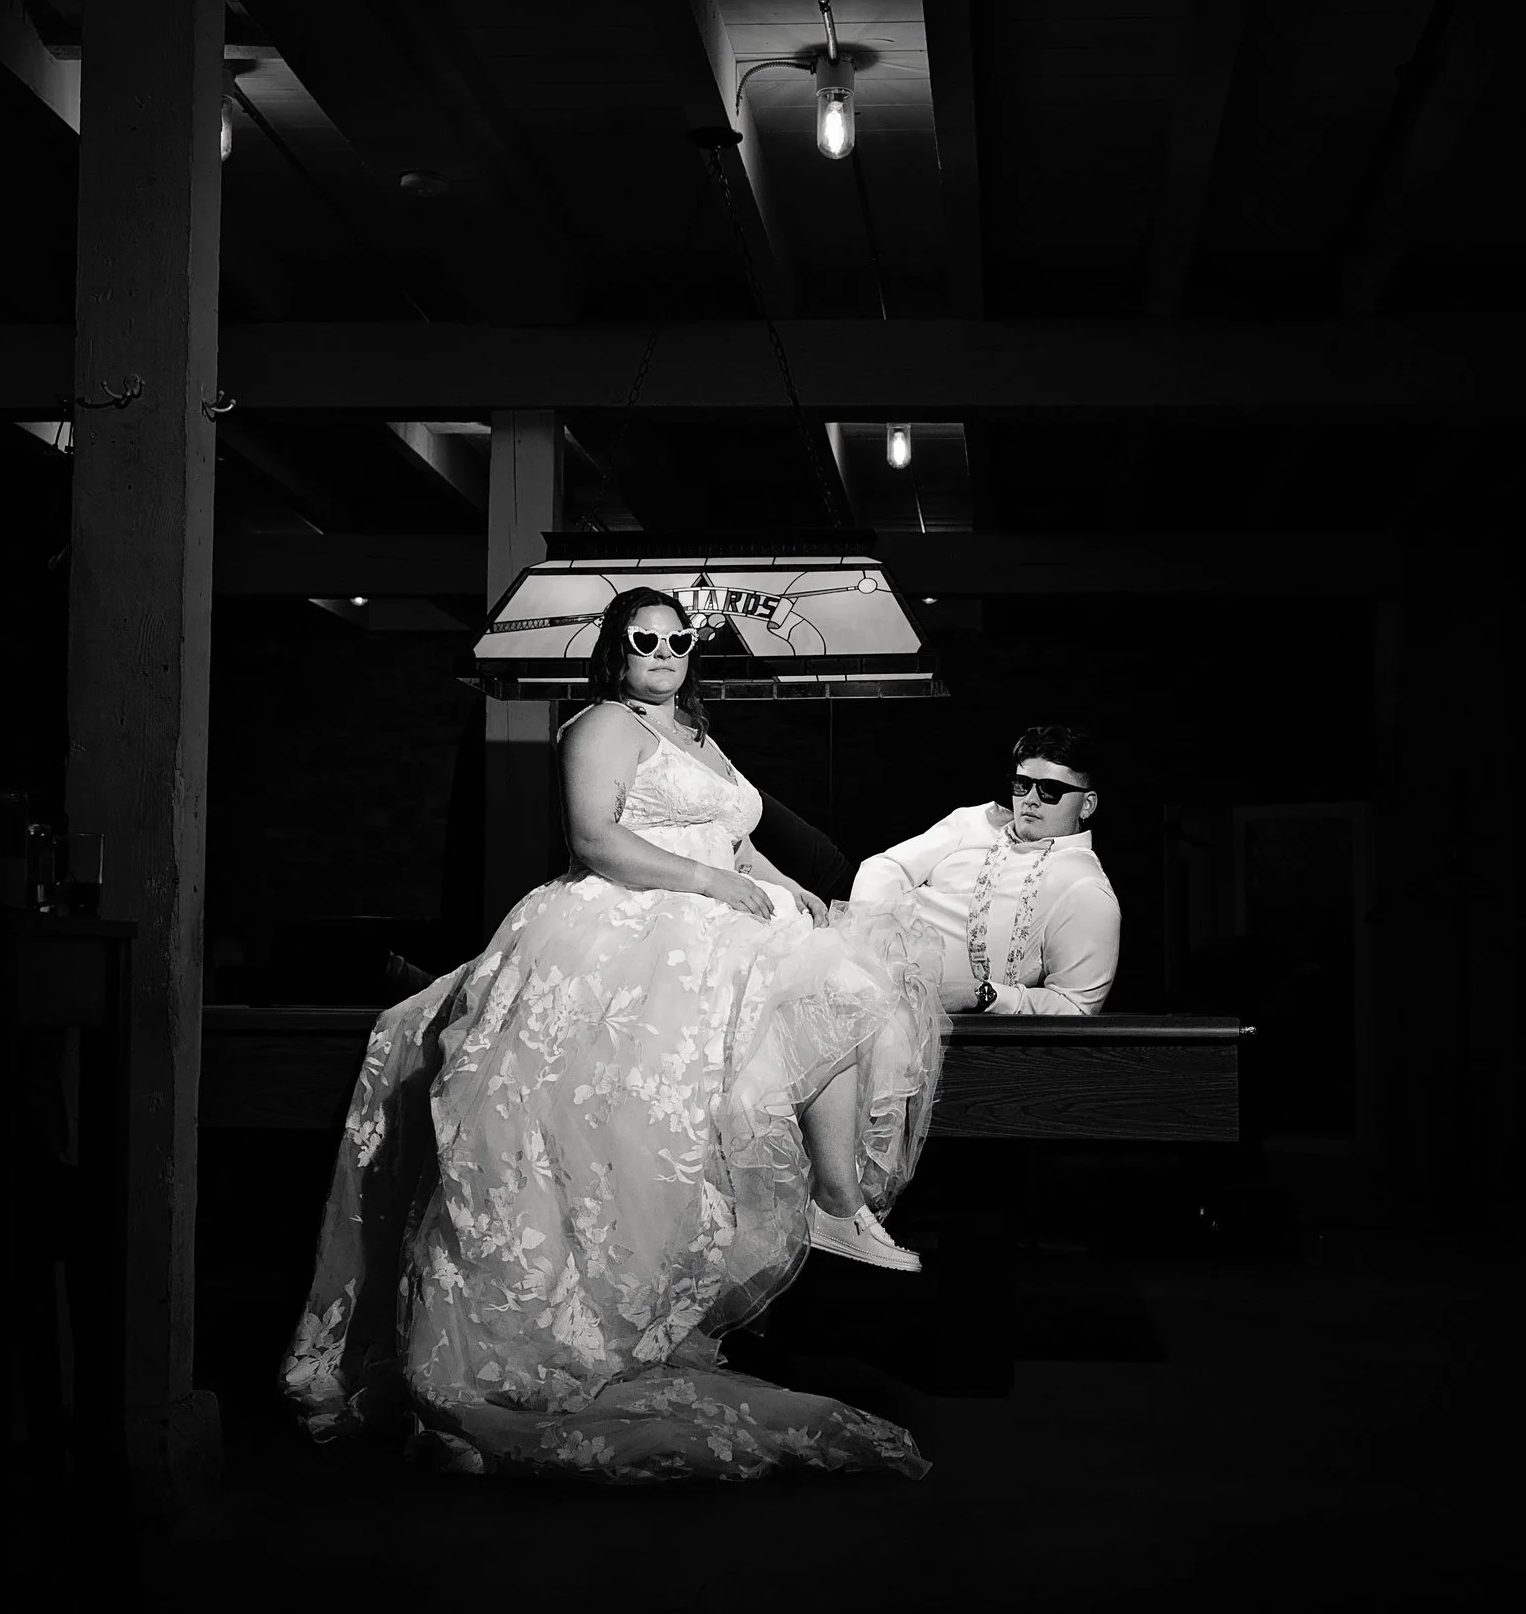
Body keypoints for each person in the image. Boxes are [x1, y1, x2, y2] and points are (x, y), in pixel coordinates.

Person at [281, 587, 948, 1482]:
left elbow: (738, 841)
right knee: (814, 994)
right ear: (616, 649)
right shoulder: (602, 724)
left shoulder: (698, 737)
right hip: (631, 918)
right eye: (646, 638)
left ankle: (836, 1201)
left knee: (847, 975)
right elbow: (595, 839)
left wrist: (789, 890)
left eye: (679, 638)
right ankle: (831, 1204)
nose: (664, 650)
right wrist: (713, 887)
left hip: (714, 914)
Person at [849, 725, 1121, 1016]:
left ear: (1087, 804)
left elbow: (1074, 1006)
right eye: (1022, 784)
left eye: (1050, 790)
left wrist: (983, 995)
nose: (1030, 798)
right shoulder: (977, 821)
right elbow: (886, 867)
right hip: (858, 954)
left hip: (922, 1022)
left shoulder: (1084, 889)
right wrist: (870, 942)